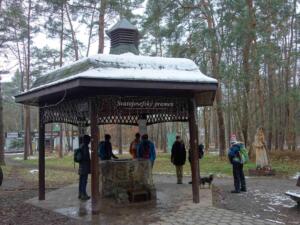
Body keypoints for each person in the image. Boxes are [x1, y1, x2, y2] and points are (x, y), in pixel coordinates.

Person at [78, 135, 91, 200]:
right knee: (84, 181)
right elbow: (86, 157)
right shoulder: (85, 147)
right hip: (84, 166)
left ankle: (80, 194)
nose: (89, 141)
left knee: (81, 180)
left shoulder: (81, 145)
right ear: (86, 140)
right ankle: (83, 195)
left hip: (81, 166)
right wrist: (90, 161)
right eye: (89, 140)